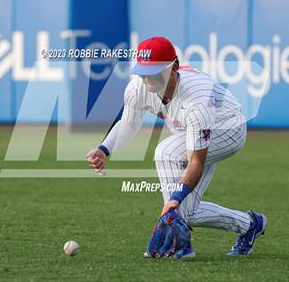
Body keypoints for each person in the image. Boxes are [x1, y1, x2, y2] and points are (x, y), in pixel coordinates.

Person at [85, 36, 267, 258]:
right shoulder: (137, 88)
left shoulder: (196, 99)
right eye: (143, 70)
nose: (147, 77)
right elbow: (129, 124)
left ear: (174, 68)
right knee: (187, 213)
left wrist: (174, 199)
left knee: (166, 152)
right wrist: (104, 149)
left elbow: (196, 161)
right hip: (192, 130)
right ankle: (250, 224)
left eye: (155, 70)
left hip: (228, 128)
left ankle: (180, 244)